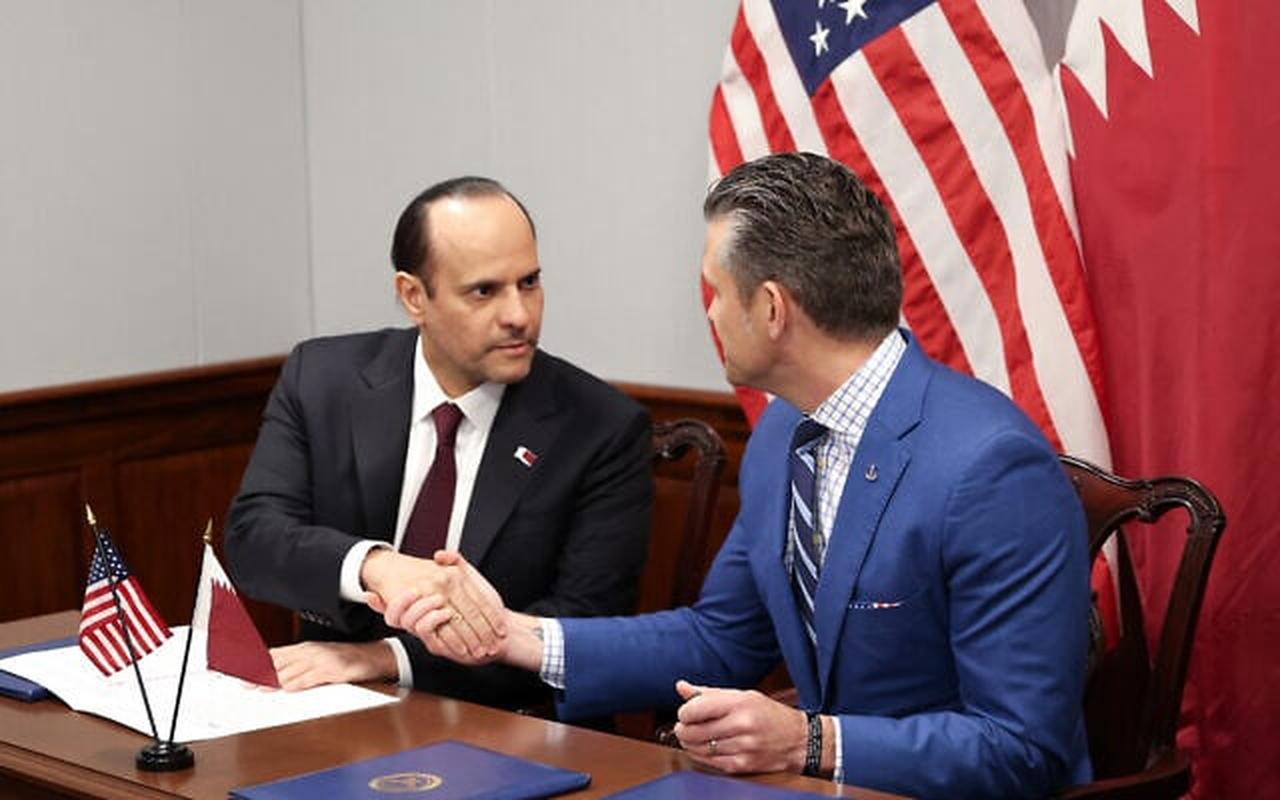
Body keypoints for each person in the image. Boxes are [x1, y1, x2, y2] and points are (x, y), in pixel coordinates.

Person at [385, 154, 1093, 798]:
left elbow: (1021, 749)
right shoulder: (787, 430)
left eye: (716, 291)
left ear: (773, 309)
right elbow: (721, 639)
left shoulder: (991, 469)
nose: (712, 311)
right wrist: (513, 635)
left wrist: (811, 740)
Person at [224, 176, 653, 710]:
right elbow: (253, 539)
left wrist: (383, 658)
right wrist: (377, 566)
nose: (519, 314)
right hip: (328, 713)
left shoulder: (601, 427)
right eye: (484, 291)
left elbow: (580, 626)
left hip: (506, 726)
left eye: (529, 282)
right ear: (413, 296)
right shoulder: (323, 379)